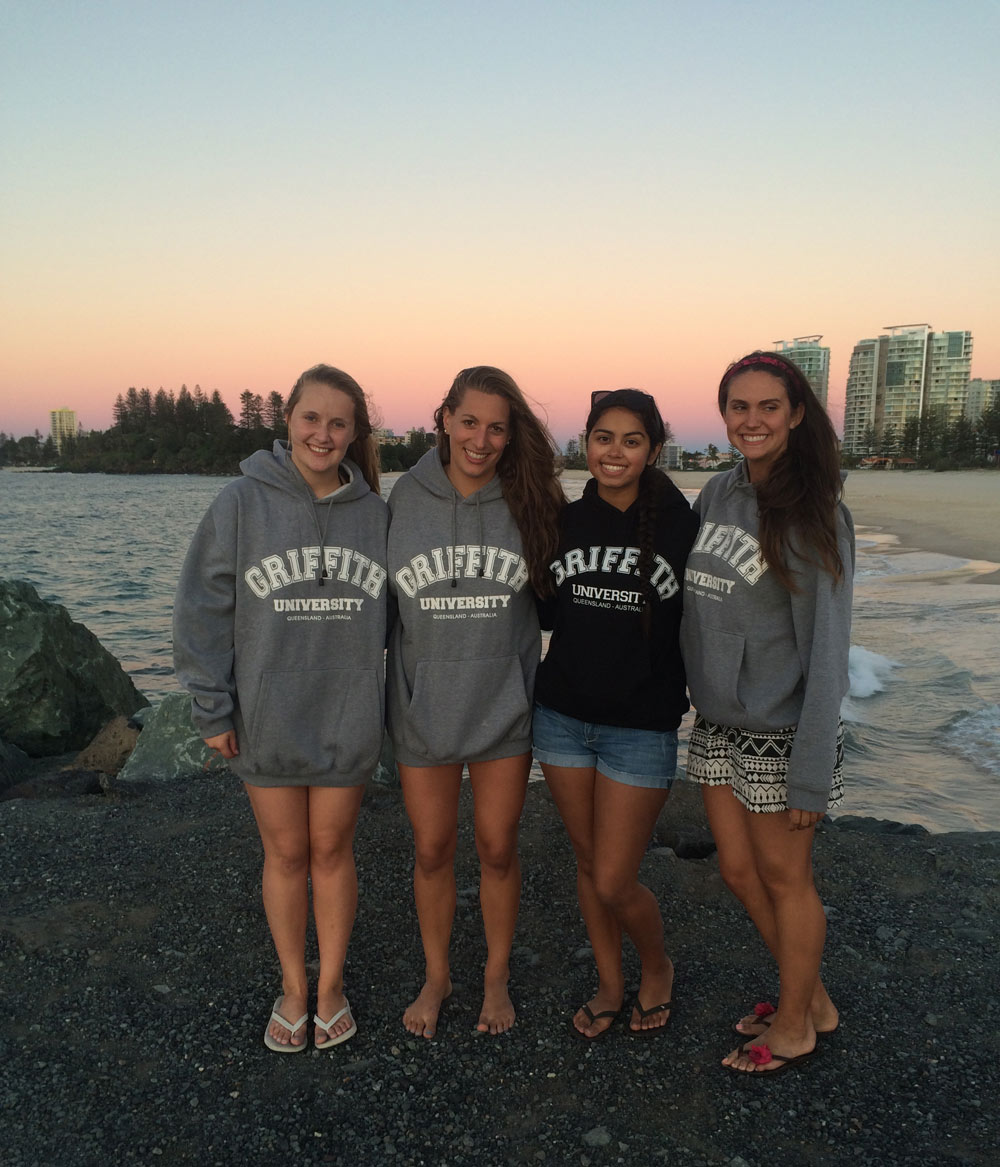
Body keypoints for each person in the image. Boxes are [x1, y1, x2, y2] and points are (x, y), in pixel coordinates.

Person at [173, 364, 388, 1053]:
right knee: (287, 851)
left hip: (344, 713)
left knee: (332, 849)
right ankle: (294, 985)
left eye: (338, 422)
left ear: (355, 434)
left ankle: (332, 987)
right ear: (287, 420)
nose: (323, 433)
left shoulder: (374, 514)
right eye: (311, 418)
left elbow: (404, 614)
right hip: (266, 711)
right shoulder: (241, 502)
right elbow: (202, 607)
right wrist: (214, 708)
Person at [680, 350, 855, 1075]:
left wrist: (812, 771)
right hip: (718, 721)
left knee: (787, 880)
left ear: (795, 415)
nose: (751, 421)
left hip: (780, 733)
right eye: (738, 407)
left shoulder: (816, 514)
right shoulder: (718, 494)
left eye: (767, 407)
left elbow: (828, 649)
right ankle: (810, 997)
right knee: (736, 870)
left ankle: (794, 1024)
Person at [386, 365, 564, 1038]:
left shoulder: (529, 499)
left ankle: (495, 976)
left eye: (497, 426)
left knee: (495, 846)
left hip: (503, 709)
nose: (482, 440)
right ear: (445, 419)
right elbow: (375, 607)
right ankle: (438, 976)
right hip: (423, 710)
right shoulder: (405, 496)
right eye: (470, 422)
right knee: (432, 849)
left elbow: (558, 605)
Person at [532, 389, 698, 1039]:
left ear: (653, 450)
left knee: (613, 874)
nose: (616, 451)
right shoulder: (565, 524)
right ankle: (609, 980)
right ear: (586, 444)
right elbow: (546, 614)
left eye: (632, 440)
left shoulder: (683, 527)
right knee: (587, 862)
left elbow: (716, 619)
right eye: (604, 437)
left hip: (641, 727)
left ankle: (656, 967)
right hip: (563, 716)